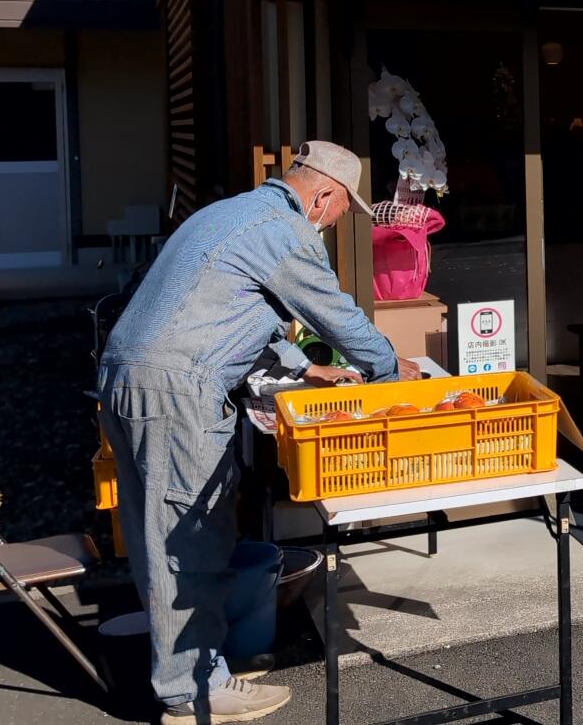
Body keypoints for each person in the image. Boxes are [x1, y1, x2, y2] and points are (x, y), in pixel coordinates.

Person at [98, 141, 419, 724]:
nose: (334, 222)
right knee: (190, 537)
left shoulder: (228, 214)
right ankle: (193, 690)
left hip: (126, 380)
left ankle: (187, 665)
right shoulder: (284, 231)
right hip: (175, 390)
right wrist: (389, 377)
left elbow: (231, 312)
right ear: (322, 196)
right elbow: (337, 316)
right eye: (340, 210)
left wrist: (307, 369)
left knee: (156, 535)